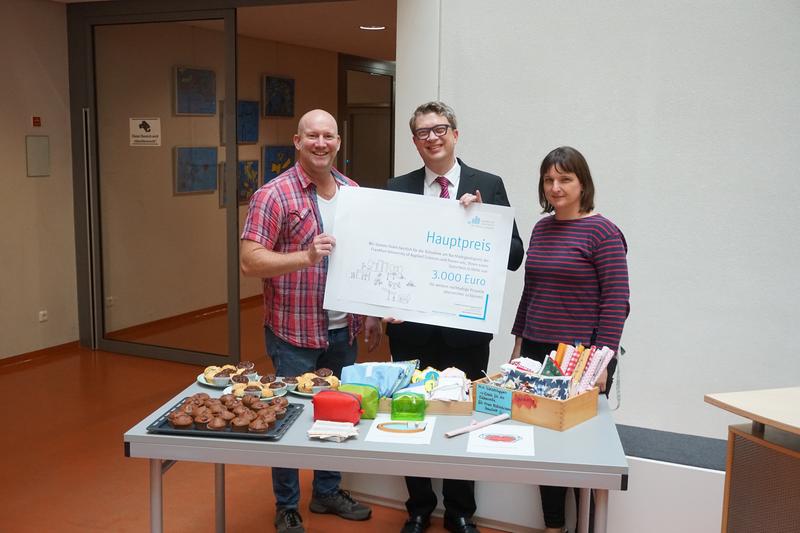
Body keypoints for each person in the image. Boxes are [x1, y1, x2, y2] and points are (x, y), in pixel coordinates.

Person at [240, 109, 382, 533]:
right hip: (293, 334)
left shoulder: (354, 192)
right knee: (287, 418)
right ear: (297, 141)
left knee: (338, 415)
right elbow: (249, 262)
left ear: (339, 142)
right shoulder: (275, 195)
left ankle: (326, 492)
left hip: (343, 330)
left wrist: (371, 312)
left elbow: (364, 259)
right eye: (312, 136)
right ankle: (286, 504)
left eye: (329, 136)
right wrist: (305, 256)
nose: (321, 143)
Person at [386, 101, 524, 533]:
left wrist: (483, 220)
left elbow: (516, 256)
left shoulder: (489, 184)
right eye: (423, 133)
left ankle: (461, 510)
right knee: (411, 416)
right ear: (414, 141)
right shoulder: (398, 187)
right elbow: (387, 252)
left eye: (439, 129)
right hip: (410, 331)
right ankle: (419, 508)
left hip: (465, 333)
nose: (432, 138)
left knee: (465, 418)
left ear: (455, 134)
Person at [511, 146, 630, 533]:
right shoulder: (541, 228)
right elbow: (529, 293)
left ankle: (585, 527)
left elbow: (616, 302)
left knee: (579, 452)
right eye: (549, 179)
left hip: (580, 359)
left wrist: (601, 364)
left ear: (583, 183)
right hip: (536, 354)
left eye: (565, 179)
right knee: (543, 447)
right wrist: (517, 347)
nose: (556, 187)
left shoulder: (604, 232)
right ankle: (553, 526)